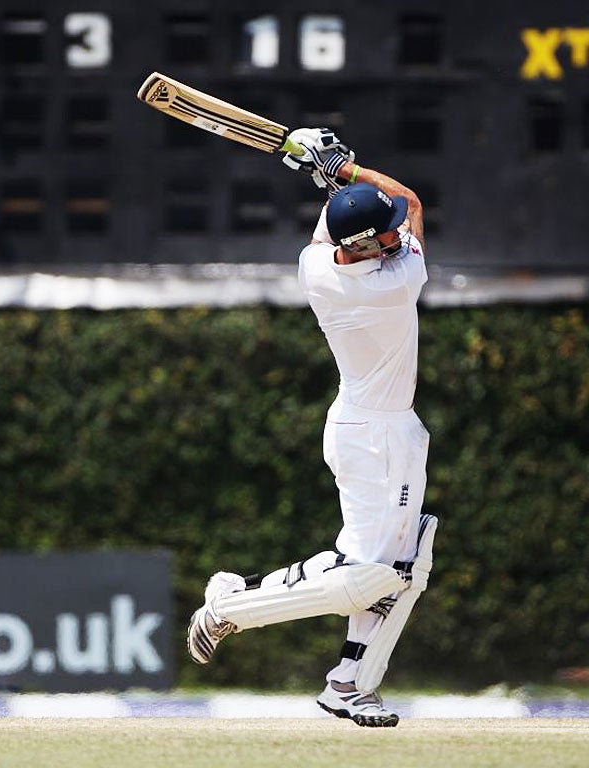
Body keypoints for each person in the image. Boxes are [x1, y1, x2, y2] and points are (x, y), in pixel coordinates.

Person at [186, 129, 438, 728]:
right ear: (370, 244)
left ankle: (349, 684)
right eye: (384, 232)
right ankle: (231, 606)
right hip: (376, 436)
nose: (394, 233)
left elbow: (341, 224)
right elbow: (414, 203)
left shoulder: (317, 267)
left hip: (373, 427)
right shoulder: (395, 281)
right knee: (377, 575)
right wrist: (344, 168)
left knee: (404, 565)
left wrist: (330, 180)